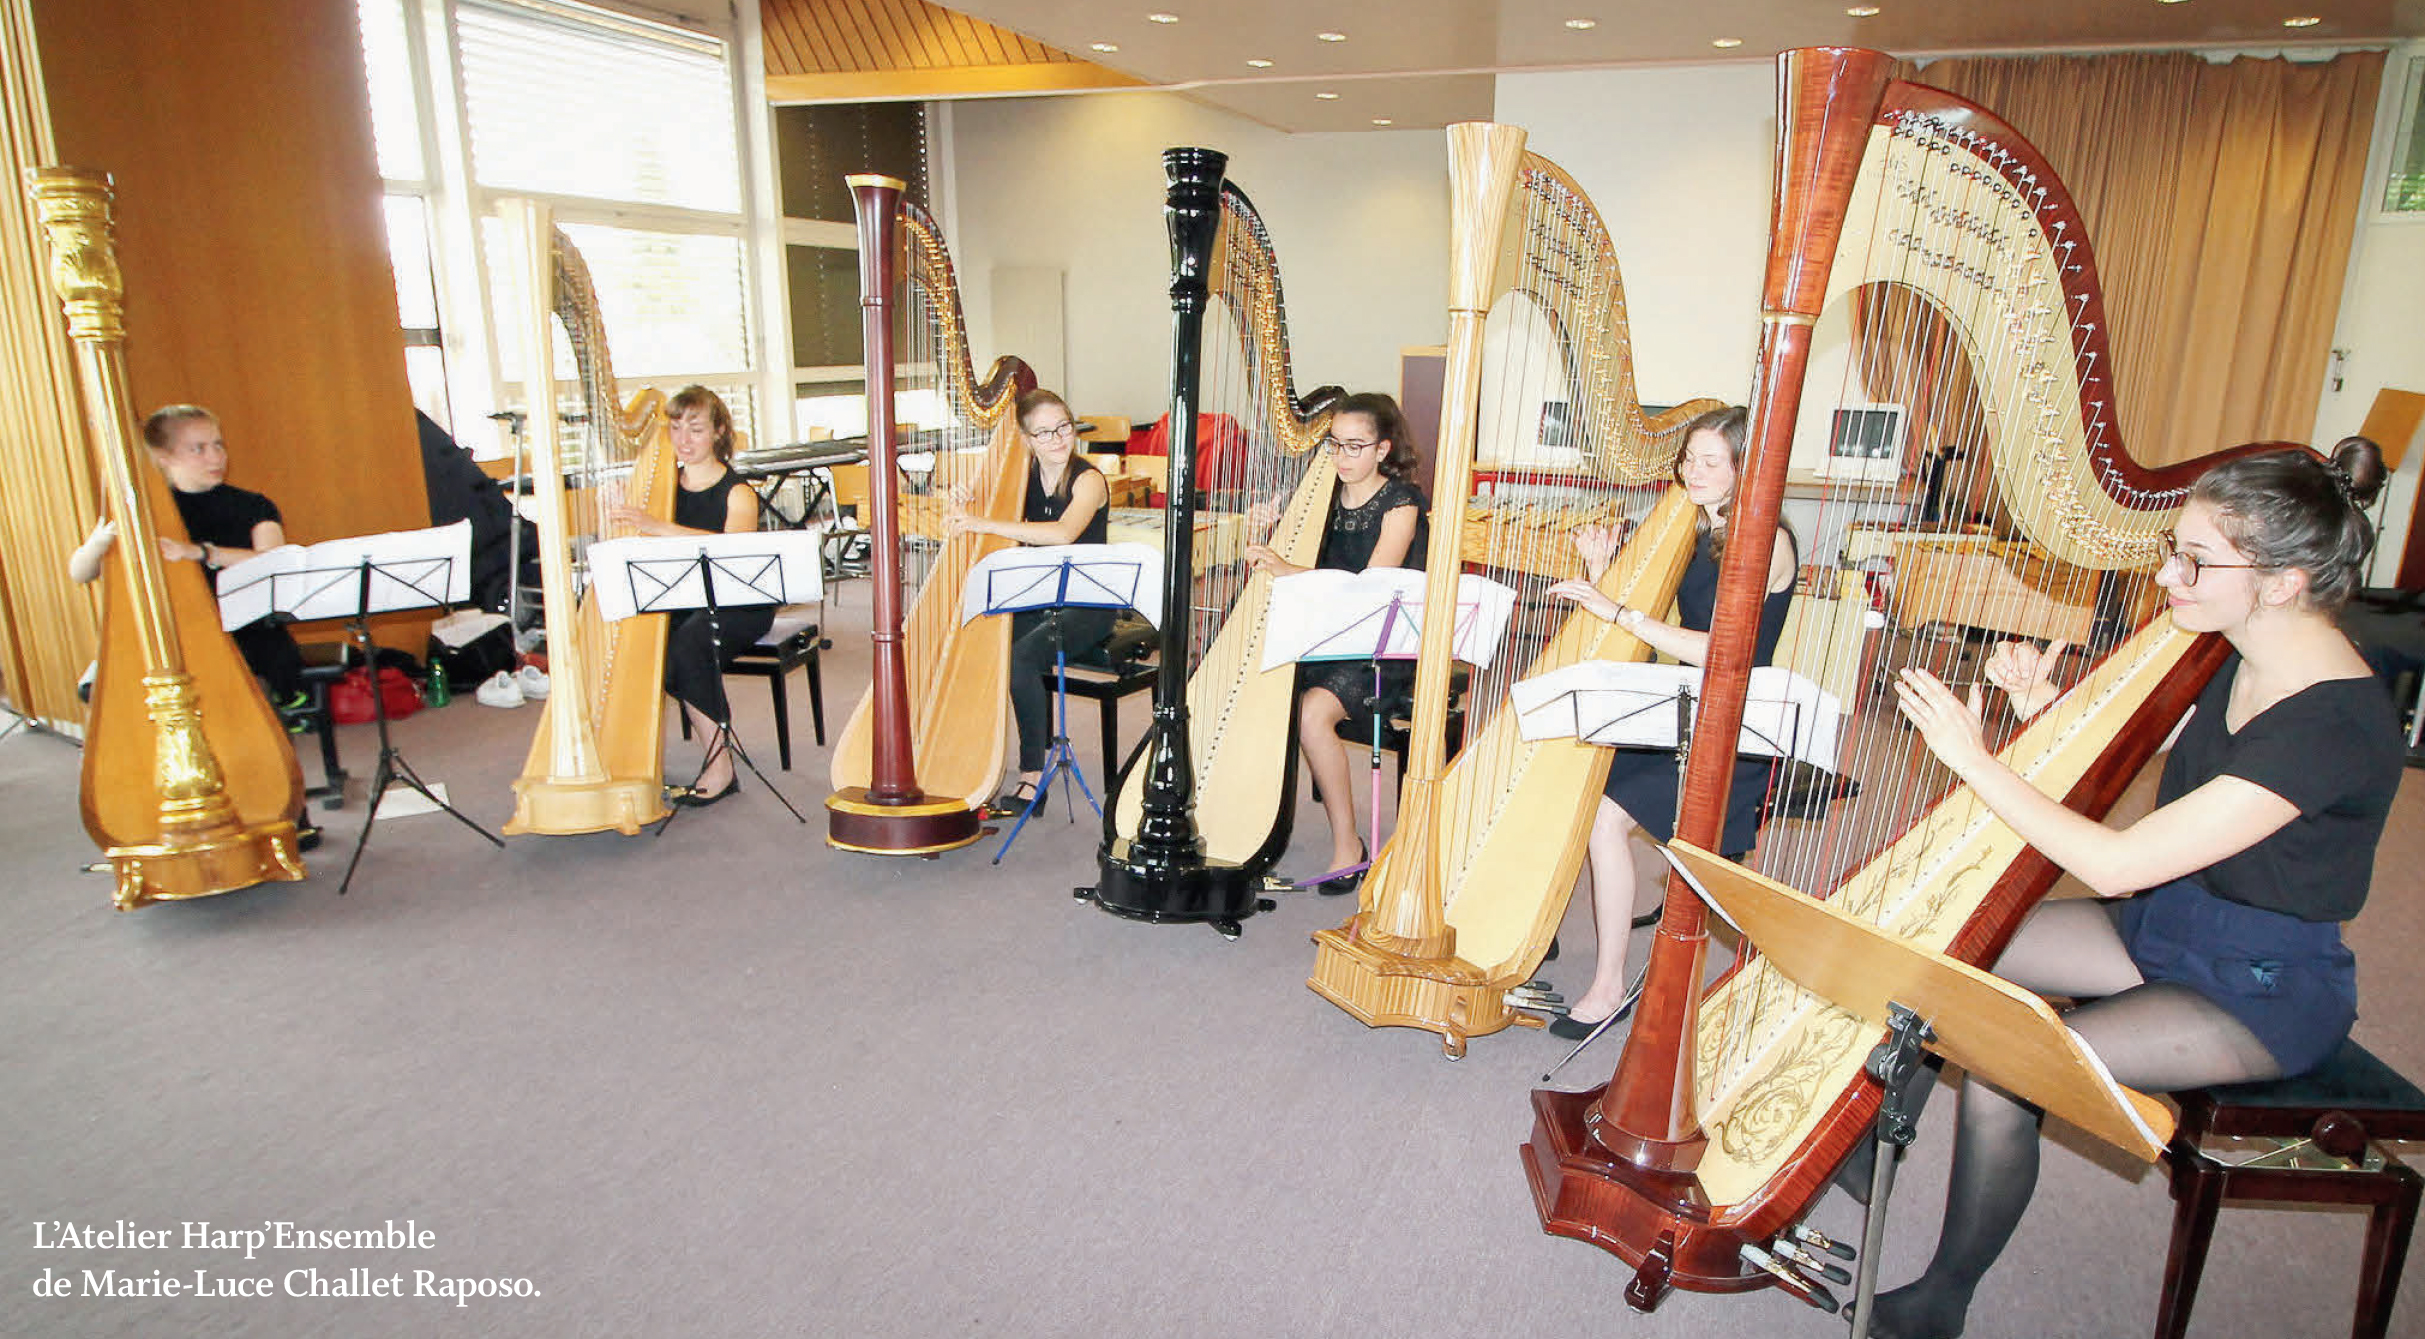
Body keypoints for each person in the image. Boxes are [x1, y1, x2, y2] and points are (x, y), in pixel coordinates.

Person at [1868, 439, 2401, 1339]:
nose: (2167, 574)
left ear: (2277, 582)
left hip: (2258, 983)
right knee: (1946, 937)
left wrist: (1973, 758)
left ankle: (1939, 1300)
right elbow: (2161, 753)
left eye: (2194, 558)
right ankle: (1866, 1145)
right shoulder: (2231, 652)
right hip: (2171, 921)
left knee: (2008, 1066)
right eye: (2171, 547)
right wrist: (2046, 702)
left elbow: (2115, 862)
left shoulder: (2337, 724)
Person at [1540, 404, 1797, 1038]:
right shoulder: (1690, 524)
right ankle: (1605, 979)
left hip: (1732, 726)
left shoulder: (1766, 541)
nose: (1694, 471)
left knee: (1700, 866)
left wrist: (1617, 608)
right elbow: (1652, 611)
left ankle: (1768, 965)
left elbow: (1721, 650)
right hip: (1680, 708)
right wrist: (1603, 575)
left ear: (1747, 469)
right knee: (1594, 796)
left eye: (1712, 462)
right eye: (1688, 458)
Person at [1242, 391, 1428, 892]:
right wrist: (1266, 533)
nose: (1342, 457)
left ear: (1383, 450)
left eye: (1355, 446)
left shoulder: (1402, 503)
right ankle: (1249, 826)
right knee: (1252, 686)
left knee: (1310, 713)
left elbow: (1371, 583)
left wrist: (1287, 568)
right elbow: (1288, 557)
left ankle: (1349, 842)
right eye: (1334, 446)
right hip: (1321, 632)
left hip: (1378, 643)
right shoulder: (1319, 494)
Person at [943, 388, 1112, 819]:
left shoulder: (1088, 479)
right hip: (1037, 595)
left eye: (1063, 427)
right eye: (1043, 433)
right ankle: (971, 754)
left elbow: (1061, 533)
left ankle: (1032, 773)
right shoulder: (1019, 475)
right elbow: (979, 507)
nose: (1056, 439)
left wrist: (979, 520)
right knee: (987, 643)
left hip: (1087, 601)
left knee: (1019, 658)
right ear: (1026, 439)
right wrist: (964, 498)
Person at [70, 406, 309, 709]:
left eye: (218, 445)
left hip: (244, 627)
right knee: (99, 686)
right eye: (199, 449)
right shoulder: (145, 510)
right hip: (173, 629)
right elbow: (80, 573)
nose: (216, 457)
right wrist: (99, 542)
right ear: (162, 457)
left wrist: (201, 552)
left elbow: (276, 562)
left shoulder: (253, 506)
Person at [606, 385, 766, 807]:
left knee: (687, 648)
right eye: (675, 428)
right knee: (650, 648)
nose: (683, 439)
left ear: (718, 432)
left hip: (738, 604)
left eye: (695, 429)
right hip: (681, 598)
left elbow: (732, 555)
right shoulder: (659, 488)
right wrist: (622, 513)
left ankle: (720, 766)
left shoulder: (738, 492)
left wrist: (658, 527)